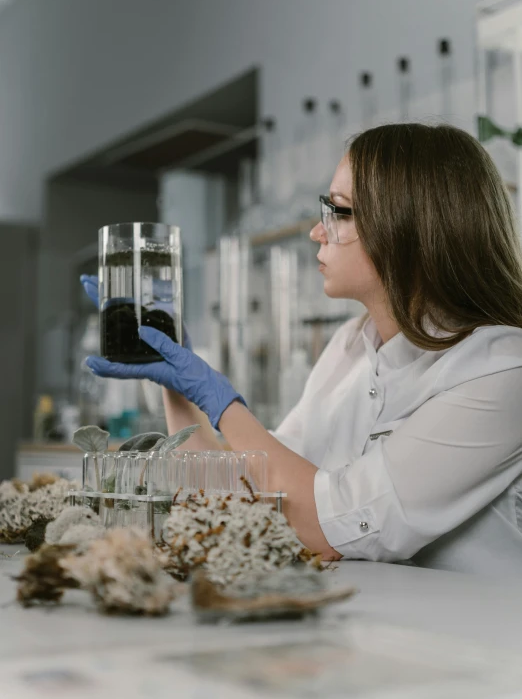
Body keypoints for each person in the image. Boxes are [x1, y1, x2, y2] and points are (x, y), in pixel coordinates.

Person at [83, 123, 522, 576]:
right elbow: (247, 496)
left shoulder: (501, 370)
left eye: (340, 211)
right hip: (364, 624)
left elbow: (327, 523)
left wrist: (224, 403)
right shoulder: (350, 347)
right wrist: (175, 381)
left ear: (409, 228)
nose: (317, 231)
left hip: (476, 640)